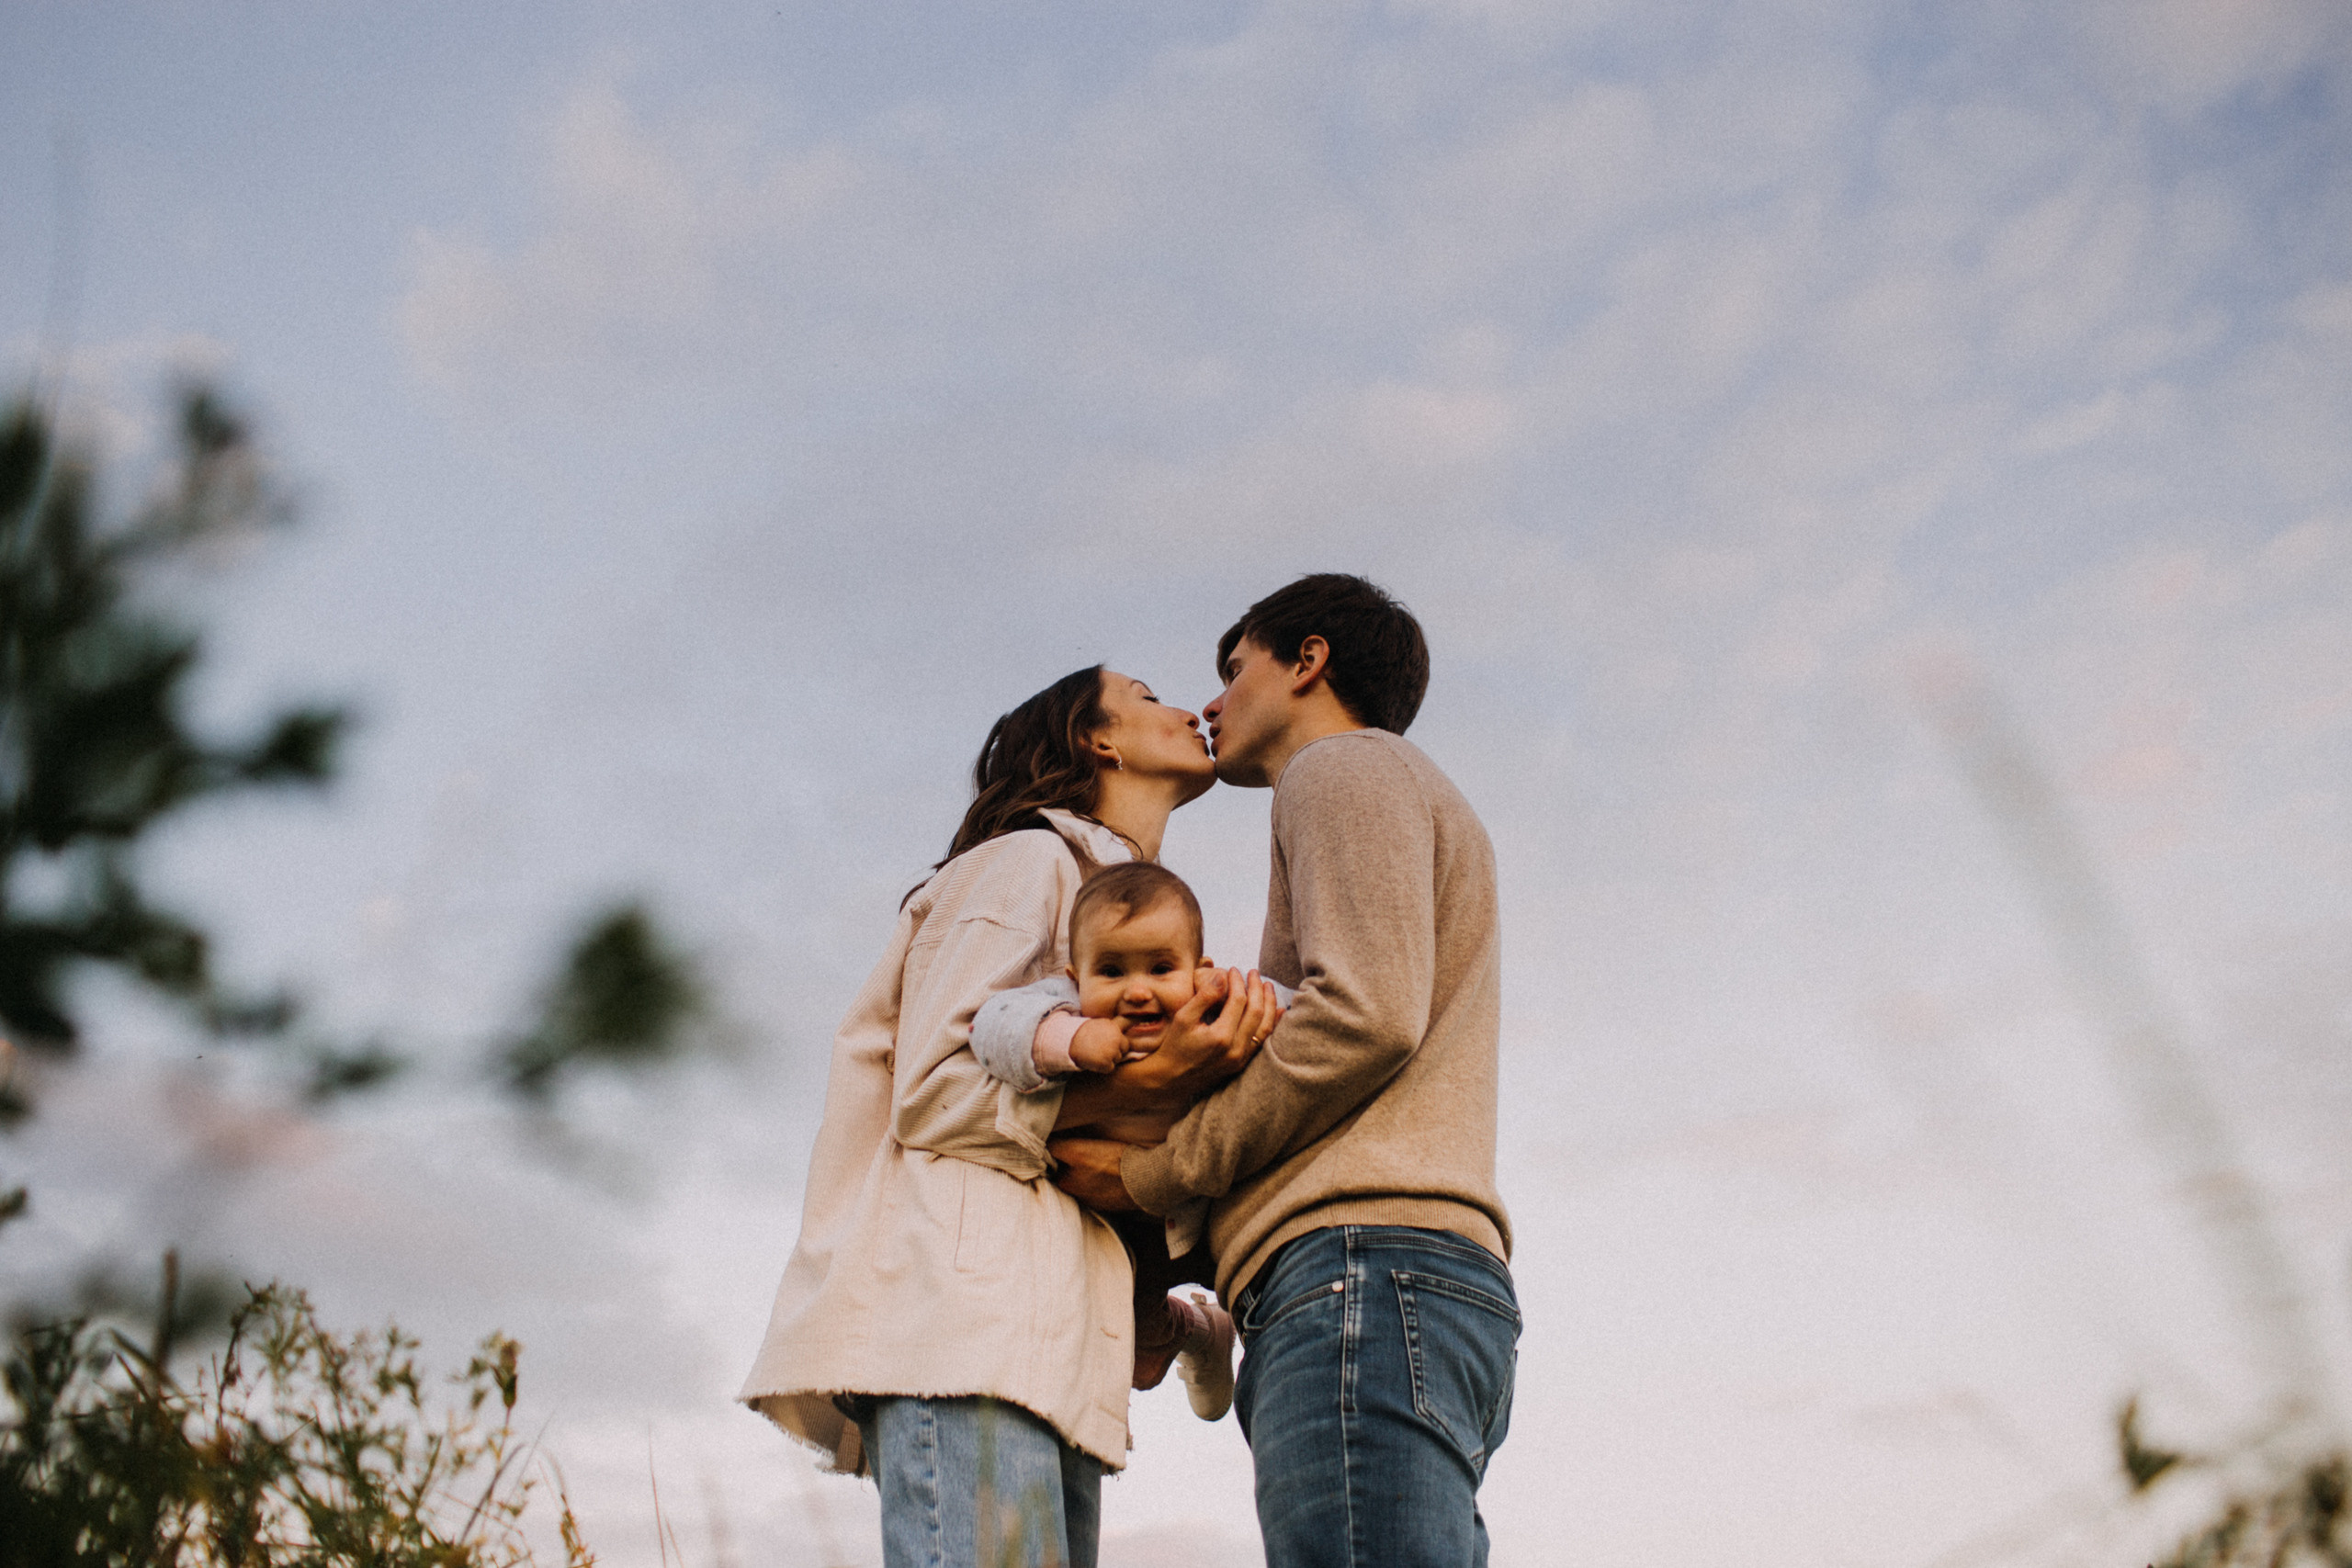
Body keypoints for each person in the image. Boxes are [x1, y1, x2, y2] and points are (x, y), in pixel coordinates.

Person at [737, 665, 1285, 1568]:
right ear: (1094, 738)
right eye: (1147, 697)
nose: (1186, 708)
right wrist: (1156, 1081)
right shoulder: (1024, 861)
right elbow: (933, 1091)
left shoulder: (1130, 923)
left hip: (1052, 1354)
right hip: (964, 1334)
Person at [1051, 575, 1518, 1568]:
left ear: (1307, 661)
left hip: (1359, 1268)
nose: (1212, 702)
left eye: (1234, 670)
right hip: (1396, 1281)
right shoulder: (1372, 784)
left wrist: (1154, 1174)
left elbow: (1364, 1018)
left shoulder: (1341, 770)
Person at [970, 860, 1299, 1419]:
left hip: (1211, 1202)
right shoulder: (1065, 1006)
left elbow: (1304, 1011)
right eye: (1112, 971)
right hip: (1120, 1218)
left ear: (1200, 970)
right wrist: (1070, 1038)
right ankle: (1197, 1333)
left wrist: (1272, 1021)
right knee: (1142, 1358)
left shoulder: (1216, 1000)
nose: (1138, 991)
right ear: (1077, 978)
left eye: (1161, 968)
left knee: (1265, 1281)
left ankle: (1269, 1352)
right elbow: (992, 1026)